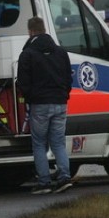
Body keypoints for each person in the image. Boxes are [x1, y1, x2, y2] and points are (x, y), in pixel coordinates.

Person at [17, 17, 73, 195]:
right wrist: (63, 94)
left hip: (39, 104)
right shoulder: (61, 52)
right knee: (58, 142)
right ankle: (64, 177)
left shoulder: (28, 54)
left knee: (39, 144)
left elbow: (23, 82)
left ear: (31, 31)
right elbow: (68, 78)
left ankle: (44, 182)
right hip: (60, 103)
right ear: (43, 29)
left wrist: (30, 97)